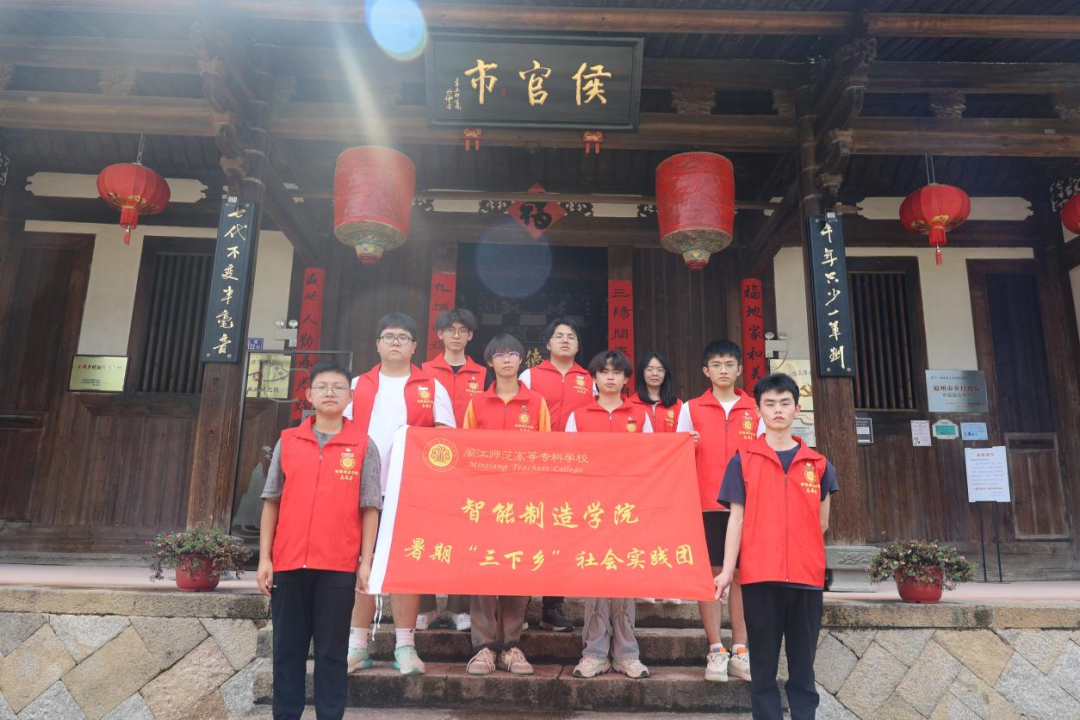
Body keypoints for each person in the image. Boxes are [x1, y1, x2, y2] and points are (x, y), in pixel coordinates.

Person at [257, 362, 381, 720]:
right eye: (322, 387)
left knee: (331, 652)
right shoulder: (288, 440)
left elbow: (370, 506)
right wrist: (265, 558)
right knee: (287, 651)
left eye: (338, 387)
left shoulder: (363, 445)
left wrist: (366, 561)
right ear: (309, 395)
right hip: (289, 563)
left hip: (338, 566)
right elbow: (271, 500)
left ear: (350, 396)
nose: (330, 393)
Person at [714, 373, 838, 720]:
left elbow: (822, 522)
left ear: (797, 409)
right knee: (763, 668)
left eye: (785, 402)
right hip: (760, 577)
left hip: (806, 578)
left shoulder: (819, 464)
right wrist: (727, 571)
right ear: (758, 411)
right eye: (769, 403)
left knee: (803, 667)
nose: (778, 409)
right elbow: (736, 519)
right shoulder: (742, 460)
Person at [343, 312, 456, 677]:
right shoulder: (357, 385)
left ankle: (405, 647)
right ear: (377, 344)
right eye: (388, 336)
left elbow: (446, 439)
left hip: (411, 491)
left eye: (403, 337)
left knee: (405, 566)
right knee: (363, 563)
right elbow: (340, 432)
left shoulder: (432, 386)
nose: (395, 342)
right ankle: (357, 646)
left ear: (414, 346)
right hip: (362, 489)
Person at [460, 333, 550, 677]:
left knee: (518, 567)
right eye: (500, 355)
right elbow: (466, 452)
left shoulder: (537, 403)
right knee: (483, 566)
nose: (507, 359)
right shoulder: (477, 404)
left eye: (513, 353)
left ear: (521, 360)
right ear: (490, 362)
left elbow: (546, 452)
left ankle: (511, 645)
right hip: (485, 501)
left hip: (524, 501)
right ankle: (483, 647)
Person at [676, 340, 763, 682]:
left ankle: (740, 648)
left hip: (747, 504)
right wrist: (689, 445)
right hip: (705, 502)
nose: (723, 370)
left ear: (740, 369)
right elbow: (676, 454)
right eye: (716, 364)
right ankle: (715, 648)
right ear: (706, 371)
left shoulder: (755, 407)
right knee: (711, 576)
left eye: (729, 364)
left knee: (742, 575)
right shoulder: (691, 408)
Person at [566, 349, 652, 680]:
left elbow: (652, 460)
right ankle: (594, 652)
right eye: (604, 372)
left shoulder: (640, 416)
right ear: (594, 378)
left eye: (617, 372)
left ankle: (627, 653)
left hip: (628, 508)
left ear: (627, 378)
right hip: (591, 510)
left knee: (624, 576)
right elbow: (569, 462)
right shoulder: (579, 416)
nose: (611, 377)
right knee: (596, 577)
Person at [518, 316, 595, 632]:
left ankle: (552, 608)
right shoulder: (530, 375)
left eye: (571, 336)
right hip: (534, 466)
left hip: (574, 468)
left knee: (561, 534)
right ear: (547, 343)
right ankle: (519, 608)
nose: (565, 340)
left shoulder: (590, 379)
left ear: (577, 345)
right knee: (527, 533)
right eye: (559, 335)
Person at [419, 308, 485, 632]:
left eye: (462, 330)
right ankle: (425, 605)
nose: (456, 335)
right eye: (450, 330)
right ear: (440, 335)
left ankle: (460, 606)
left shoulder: (483, 374)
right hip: (429, 464)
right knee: (424, 532)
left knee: (466, 533)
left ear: (470, 335)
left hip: (471, 464)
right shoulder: (422, 372)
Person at [628, 352, 682, 433]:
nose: (655, 373)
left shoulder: (677, 405)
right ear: (642, 373)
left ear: (666, 374)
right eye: (650, 369)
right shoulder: (630, 404)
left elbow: (684, 434)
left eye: (660, 370)